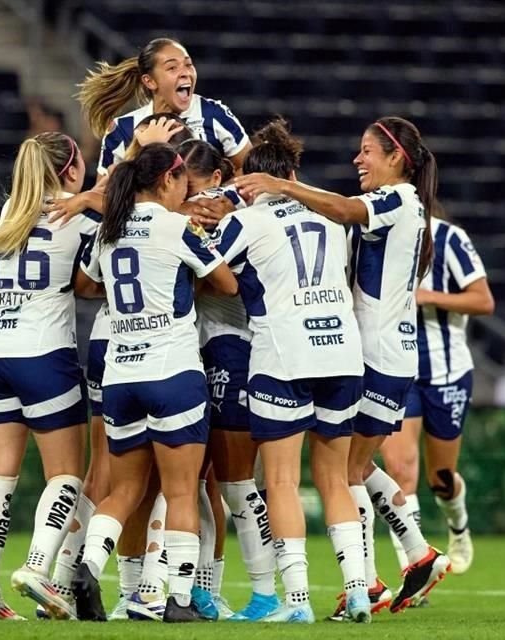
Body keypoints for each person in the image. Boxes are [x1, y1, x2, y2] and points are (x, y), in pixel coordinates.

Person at [236, 116, 451, 616]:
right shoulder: (403, 206)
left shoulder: (398, 199)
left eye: (368, 151)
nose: (358, 160)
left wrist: (279, 185)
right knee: (350, 468)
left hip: (377, 354)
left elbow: (345, 209)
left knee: (344, 471)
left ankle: (371, 581)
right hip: (382, 353)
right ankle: (414, 553)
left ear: (397, 159)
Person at [71, 143, 238, 623]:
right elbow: (226, 283)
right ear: (169, 178)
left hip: (121, 377)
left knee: (123, 491)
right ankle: (181, 599)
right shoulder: (177, 227)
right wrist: (185, 279)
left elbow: (84, 287)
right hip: (173, 371)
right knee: (182, 490)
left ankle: (88, 567)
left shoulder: (109, 229)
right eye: (183, 180)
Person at [214, 118, 369, 624]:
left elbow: (210, 270)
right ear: (293, 170)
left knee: (280, 480)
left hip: (283, 354)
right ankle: (358, 591)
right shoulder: (330, 213)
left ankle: (297, 602)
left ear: (248, 179)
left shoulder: (249, 219)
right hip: (343, 351)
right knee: (335, 479)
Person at [0, 132, 97, 621]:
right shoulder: (80, 216)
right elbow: (87, 285)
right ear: (69, 170)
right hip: (43, 353)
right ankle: (39, 568)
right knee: (65, 472)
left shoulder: (9, 214)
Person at [178, 138, 276, 621]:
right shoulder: (196, 216)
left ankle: (267, 593)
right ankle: (204, 591)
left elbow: (219, 281)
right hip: (197, 349)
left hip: (234, 346)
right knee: (198, 482)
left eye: (190, 187)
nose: (182, 196)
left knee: (234, 482)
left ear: (217, 181)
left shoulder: (235, 217)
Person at [379, 205, 494, 578]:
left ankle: (458, 527)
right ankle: (415, 566)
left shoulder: (449, 237)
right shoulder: (375, 232)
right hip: (397, 368)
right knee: (399, 470)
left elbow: (483, 300)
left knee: (441, 478)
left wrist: (429, 298)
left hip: (447, 370)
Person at [78, 37, 251, 174]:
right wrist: (143, 149)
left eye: (188, 64)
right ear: (150, 81)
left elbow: (250, 170)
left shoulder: (214, 114)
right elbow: (105, 194)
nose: (185, 73)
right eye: (172, 68)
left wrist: (224, 197)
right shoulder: (122, 128)